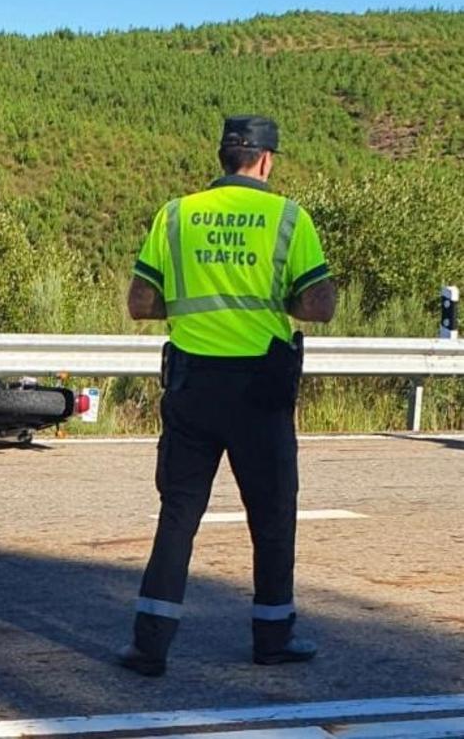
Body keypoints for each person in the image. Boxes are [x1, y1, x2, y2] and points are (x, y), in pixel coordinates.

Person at [118, 115, 336, 677]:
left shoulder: (176, 215)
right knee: (271, 515)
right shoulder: (289, 217)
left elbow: (141, 303)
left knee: (179, 515)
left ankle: (150, 645)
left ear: (222, 157)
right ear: (267, 160)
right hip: (260, 390)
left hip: (192, 386)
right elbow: (320, 305)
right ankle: (272, 637)